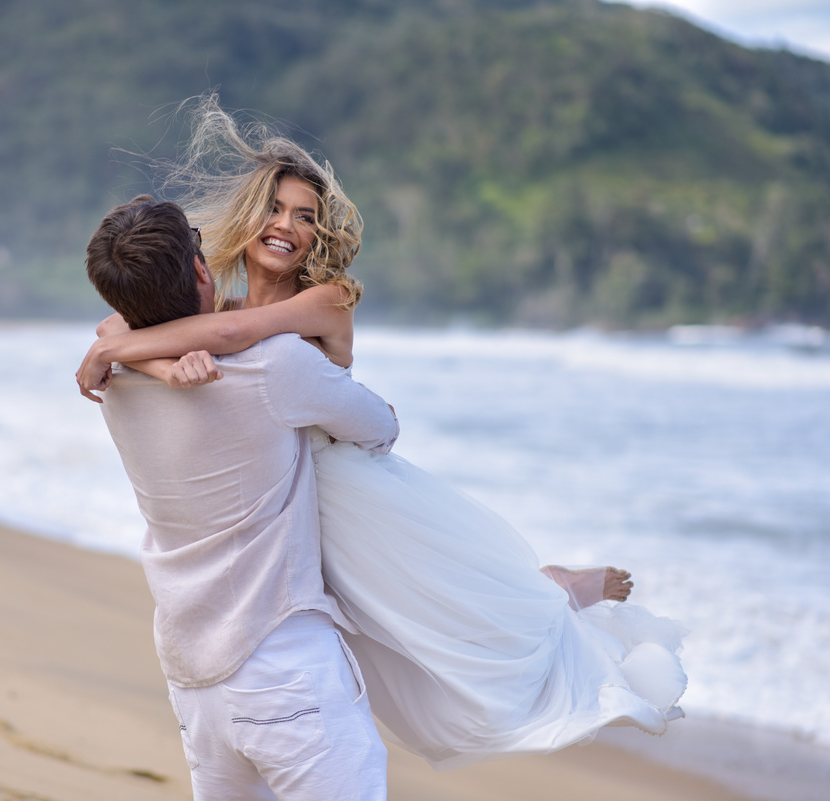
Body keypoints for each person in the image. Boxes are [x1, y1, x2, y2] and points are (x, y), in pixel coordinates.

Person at [78, 96, 686, 769]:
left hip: (337, 474)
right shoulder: (217, 311)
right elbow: (126, 323)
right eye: (274, 209)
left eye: (305, 216)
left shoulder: (325, 300)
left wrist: (122, 353)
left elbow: (225, 336)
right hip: (281, 485)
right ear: (245, 220)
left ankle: (552, 589)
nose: (286, 225)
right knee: (378, 632)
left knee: (431, 612)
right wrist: (155, 360)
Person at [84, 193, 401, 800]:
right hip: (282, 664)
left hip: (192, 679)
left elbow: (114, 332)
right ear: (200, 270)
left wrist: (141, 356)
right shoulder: (275, 366)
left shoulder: (114, 379)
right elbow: (381, 429)